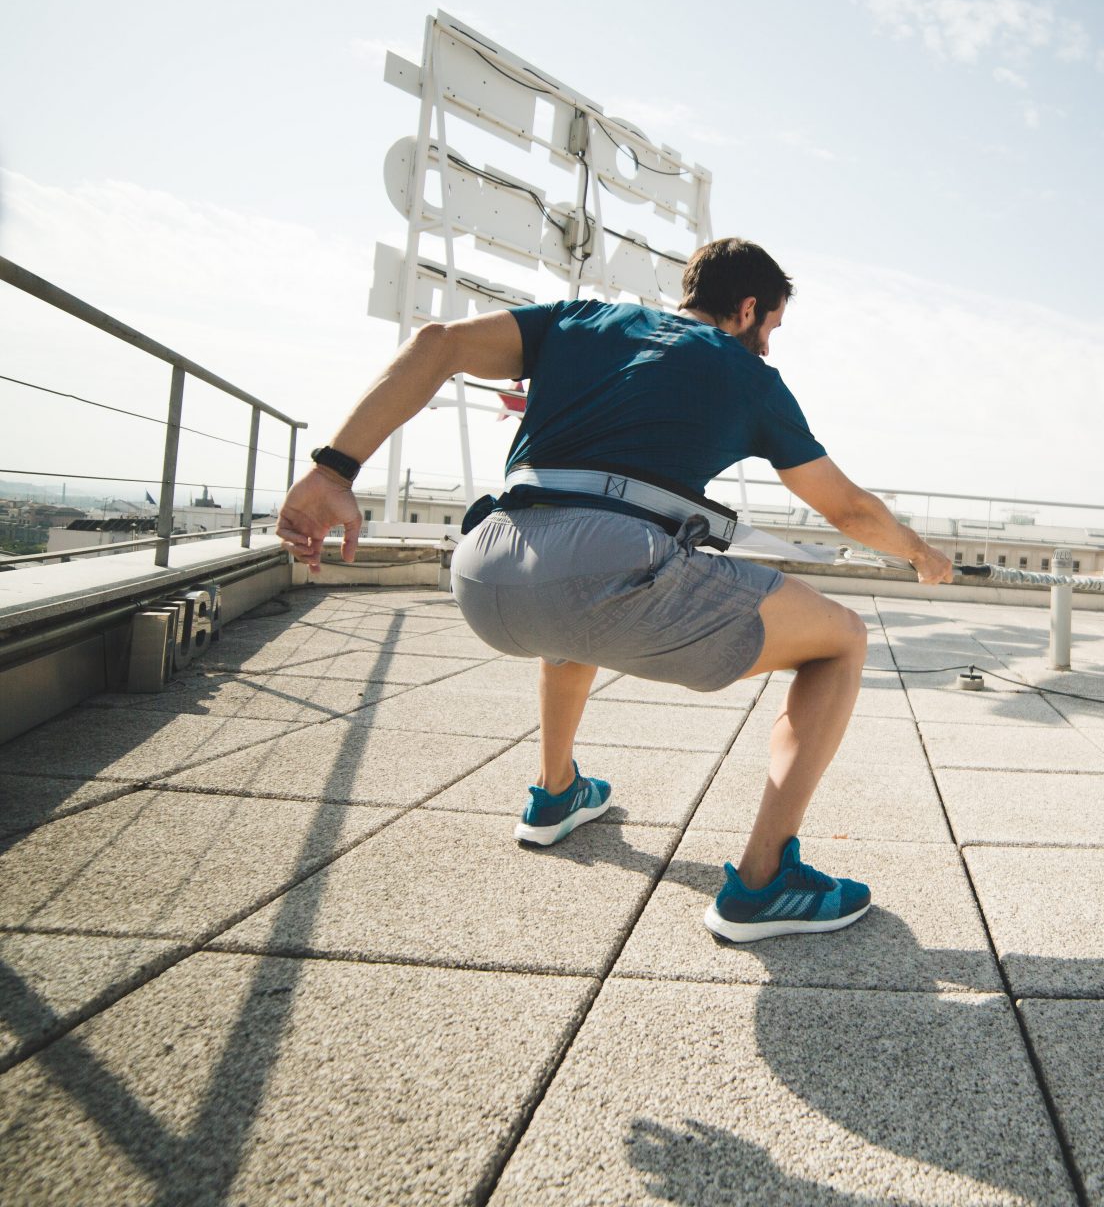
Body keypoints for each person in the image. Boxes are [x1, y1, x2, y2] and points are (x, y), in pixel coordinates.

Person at [276, 238, 954, 942]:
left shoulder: (579, 321)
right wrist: (920, 553)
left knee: (574, 603)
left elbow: (438, 342)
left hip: (486, 569)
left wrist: (334, 471)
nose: (769, 348)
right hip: (604, 574)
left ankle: (556, 793)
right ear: (749, 308)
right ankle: (765, 881)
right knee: (841, 639)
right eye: (772, 329)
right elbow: (846, 511)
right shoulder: (747, 376)